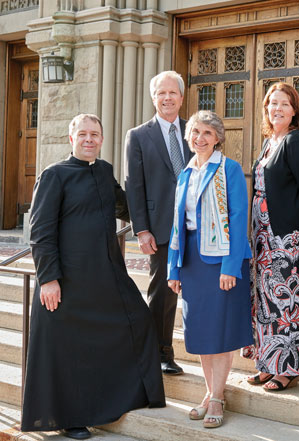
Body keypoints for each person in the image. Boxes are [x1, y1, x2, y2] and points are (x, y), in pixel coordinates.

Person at [21, 114, 165, 440]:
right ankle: (71, 418)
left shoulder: (103, 171)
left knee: (139, 320)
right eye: (83, 134)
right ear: (71, 138)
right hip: (66, 280)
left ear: (101, 139)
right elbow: (41, 232)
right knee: (69, 350)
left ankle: (127, 395)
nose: (89, 139)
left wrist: (161, 212)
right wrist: (48, 278)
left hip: (106, 273)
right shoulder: (54, 175)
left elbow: (125, 206)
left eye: (95, 134)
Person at [167, 110, 253, 429]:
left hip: (220, 260)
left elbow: (238, 215)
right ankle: (209, 392)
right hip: (190, 260)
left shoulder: (229, 169)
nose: (199, 138)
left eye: (206, 132)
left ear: (217, 138)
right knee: (201, 331)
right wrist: (173, 270)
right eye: (195, 132)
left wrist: (230, 266)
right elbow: (177, 224)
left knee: (219, 330)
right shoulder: (185, 174)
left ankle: (217, 397)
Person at [244, 83, 299, 391]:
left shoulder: (295, 140)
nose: (277, 108)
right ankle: (266, 363)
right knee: (265, 301)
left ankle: (287, 368)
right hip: (263, 235)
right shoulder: (268, 143)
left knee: (288, 303)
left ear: (295, 110)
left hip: (288, 237)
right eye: (272, 103)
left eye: (284, 104)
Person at [125, 71, 192, 375]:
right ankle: (161, 351)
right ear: (154, 98)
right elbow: (133, 184)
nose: (167, 98)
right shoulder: (138, 135)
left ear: (181, 97)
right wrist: (141, 229)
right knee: (162, 293)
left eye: (172, 93)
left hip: (196, 225)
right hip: (160, 228)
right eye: (161, 93)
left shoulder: (196, 130)